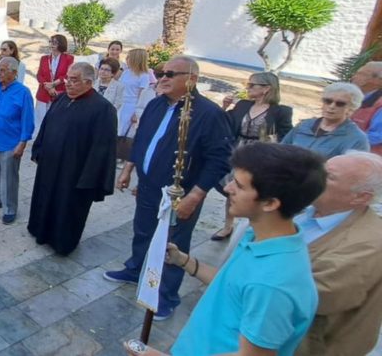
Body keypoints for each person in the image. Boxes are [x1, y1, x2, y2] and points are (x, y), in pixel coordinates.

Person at [126, 143, 325, 356]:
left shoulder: (273, 285)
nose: (228, 188)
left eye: (239, 186)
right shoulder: (259, 237)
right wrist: (183, 260)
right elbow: (231, 284)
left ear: (270, 203)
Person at [104, 56, 233, 320]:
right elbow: (141, 140)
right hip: (149, 187)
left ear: (192, 79)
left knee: (172, 244)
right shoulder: (155, 105)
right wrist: (130, 170)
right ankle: (136, 268)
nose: (163, 77)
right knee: (142, 230)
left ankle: (166, 295)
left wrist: (196, 195)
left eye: (171, 74)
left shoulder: (209, 114)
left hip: (181, 194)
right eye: (162, 72)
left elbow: (219, 160)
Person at [293, 152, 382, 356]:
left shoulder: (367, 245)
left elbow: (309, 297)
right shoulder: (308, 210)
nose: (312, 177)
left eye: (329, 176)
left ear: (360, 197)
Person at [27, 63, 117, 255]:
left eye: (74, 80)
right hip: (50, 166)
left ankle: (62, 243)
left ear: (88, 82)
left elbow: (102, 147)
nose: (68, 83)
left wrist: (89, 178)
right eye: (68, 78)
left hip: (74, 173)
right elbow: (46, 125)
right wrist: (39, 149)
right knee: (44, 200)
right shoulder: (61, 99)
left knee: (66, 208)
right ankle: (40, 231)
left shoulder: (103, 109)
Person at [212, 72, 294, 241]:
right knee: (232, 190)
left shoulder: (280, 112)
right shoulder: (243, 105)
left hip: (261, 155)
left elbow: (287, 136)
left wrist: (274, 145)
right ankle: (228, 225)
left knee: (255, 193)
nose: (247, 88)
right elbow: (225, 123)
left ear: (266, 88)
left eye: (251, 85)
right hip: (238, 152)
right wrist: (224, 107)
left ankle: (253, 229)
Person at [0, 57, 35, 224]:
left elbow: (28, 120)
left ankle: (10, 209)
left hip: (10, 142)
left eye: (3, 70)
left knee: (9, 178)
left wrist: (23, 143)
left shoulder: (23, 92)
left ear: (14, 73)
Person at [281, 82, 369, 157]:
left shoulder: (356, 139)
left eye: (340, 104)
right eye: (328, 101)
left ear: (352, 108)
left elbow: (351, 172)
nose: (331, 106)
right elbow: (281, 150)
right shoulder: (304, 125)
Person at [34, 34, 74, 133]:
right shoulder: (44, 58)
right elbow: (39, 75)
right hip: (44, 92)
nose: (52, 44)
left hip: (59, 92)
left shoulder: (69, 58)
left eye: (55, 42)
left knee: (57, 120)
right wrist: (47, 86)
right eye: (51, 42)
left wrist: (54, 84)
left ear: (61, 44)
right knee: (41, 120)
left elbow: (68, 74)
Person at [117, 48, 155, 139]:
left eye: (129, 57)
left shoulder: (144, 76)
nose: (127, 59)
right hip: (121, 103)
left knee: (124, 131)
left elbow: (142, 96)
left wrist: (136, 114)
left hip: (131, 106)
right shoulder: (126, 72)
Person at [351, 61, 382, 155]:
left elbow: (377, 137)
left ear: (378, 81)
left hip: (367, 158)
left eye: (361, 74)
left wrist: (344, 139)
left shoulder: (379, 104)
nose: (353, 77)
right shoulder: (355, 97)